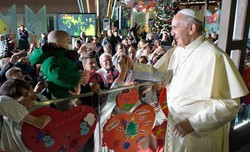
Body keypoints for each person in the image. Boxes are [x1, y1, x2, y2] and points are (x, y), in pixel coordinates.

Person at [130, 9, 249, 152]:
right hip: (176, 128)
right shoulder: (178, 51)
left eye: (175, 27)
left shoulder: (213, 56)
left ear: (191, 28)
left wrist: (193, 123)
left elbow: (229, 105)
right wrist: (131, 67)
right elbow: (159, 75)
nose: (171, 33)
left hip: (200, 135)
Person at [29, 30, 88, 111]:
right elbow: (59, 76)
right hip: (60, 97)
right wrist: (77, 79)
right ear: (58, 44)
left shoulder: (60, 56)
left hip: (68, 93)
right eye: (68, 41)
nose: (69, 43)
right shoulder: (51, 60)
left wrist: (79, 75)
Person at [0, 79, 51, 152]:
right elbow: (1, 101)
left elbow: (43, 100)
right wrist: (33, 120)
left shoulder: (38, 101)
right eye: (25, 96)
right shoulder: (9, 113)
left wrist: (35, 98)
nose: (29, 95)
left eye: (28, 91)